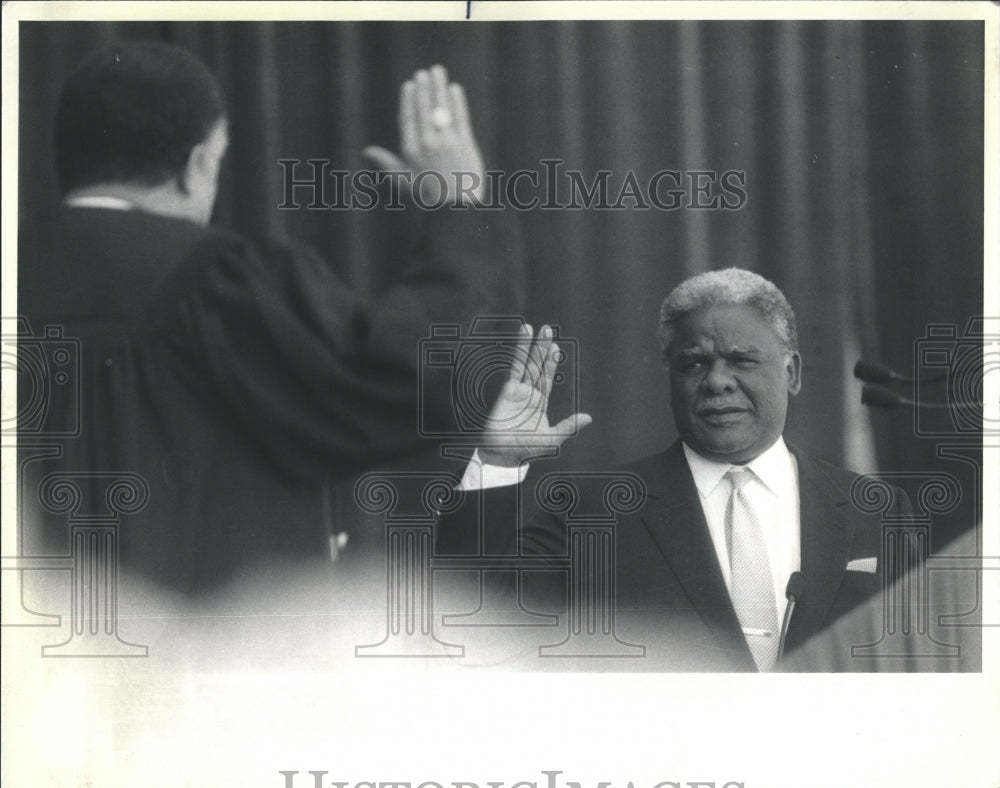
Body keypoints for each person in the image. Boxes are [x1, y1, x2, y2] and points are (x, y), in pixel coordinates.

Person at [17, 41, 522, 593]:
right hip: (189, 657)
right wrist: (461, 210)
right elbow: (408, 377)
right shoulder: (213, 281)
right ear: (196, 166)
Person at [440, 268, 911, 672]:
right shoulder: (590, 511)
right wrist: (498, 462)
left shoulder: (875, 510)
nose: (717, 382)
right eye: (694, 364)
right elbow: (477, 624)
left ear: (792, 372)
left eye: (742, 360)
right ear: (670, 379)